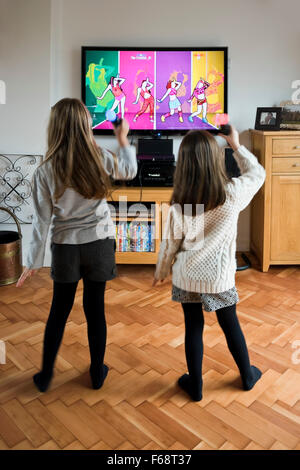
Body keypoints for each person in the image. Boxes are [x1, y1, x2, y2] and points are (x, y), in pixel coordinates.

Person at [16, 98, 137, 393]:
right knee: (95, 310)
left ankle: (45, 376)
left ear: (55, 127)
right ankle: (97, 373)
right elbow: (129, 171)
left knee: (59, 310)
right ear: (85, 125)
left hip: (65, 247)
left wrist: (32, 262)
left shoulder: (44, 170)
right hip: (99, 243)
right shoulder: (100, 156)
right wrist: (123, 140)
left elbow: (41, 222)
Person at [153, 126, 266, 401]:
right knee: (230, 324)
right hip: (219, 277)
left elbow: (170, 243)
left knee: (193, 327)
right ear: (215, 158)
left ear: (185, 164)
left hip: (187, 276)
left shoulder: (180, 201)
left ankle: (196, 385)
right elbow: (258, 174)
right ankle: (247, 375)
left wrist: (161, 270)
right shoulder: (232, 193)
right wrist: (236, 145)